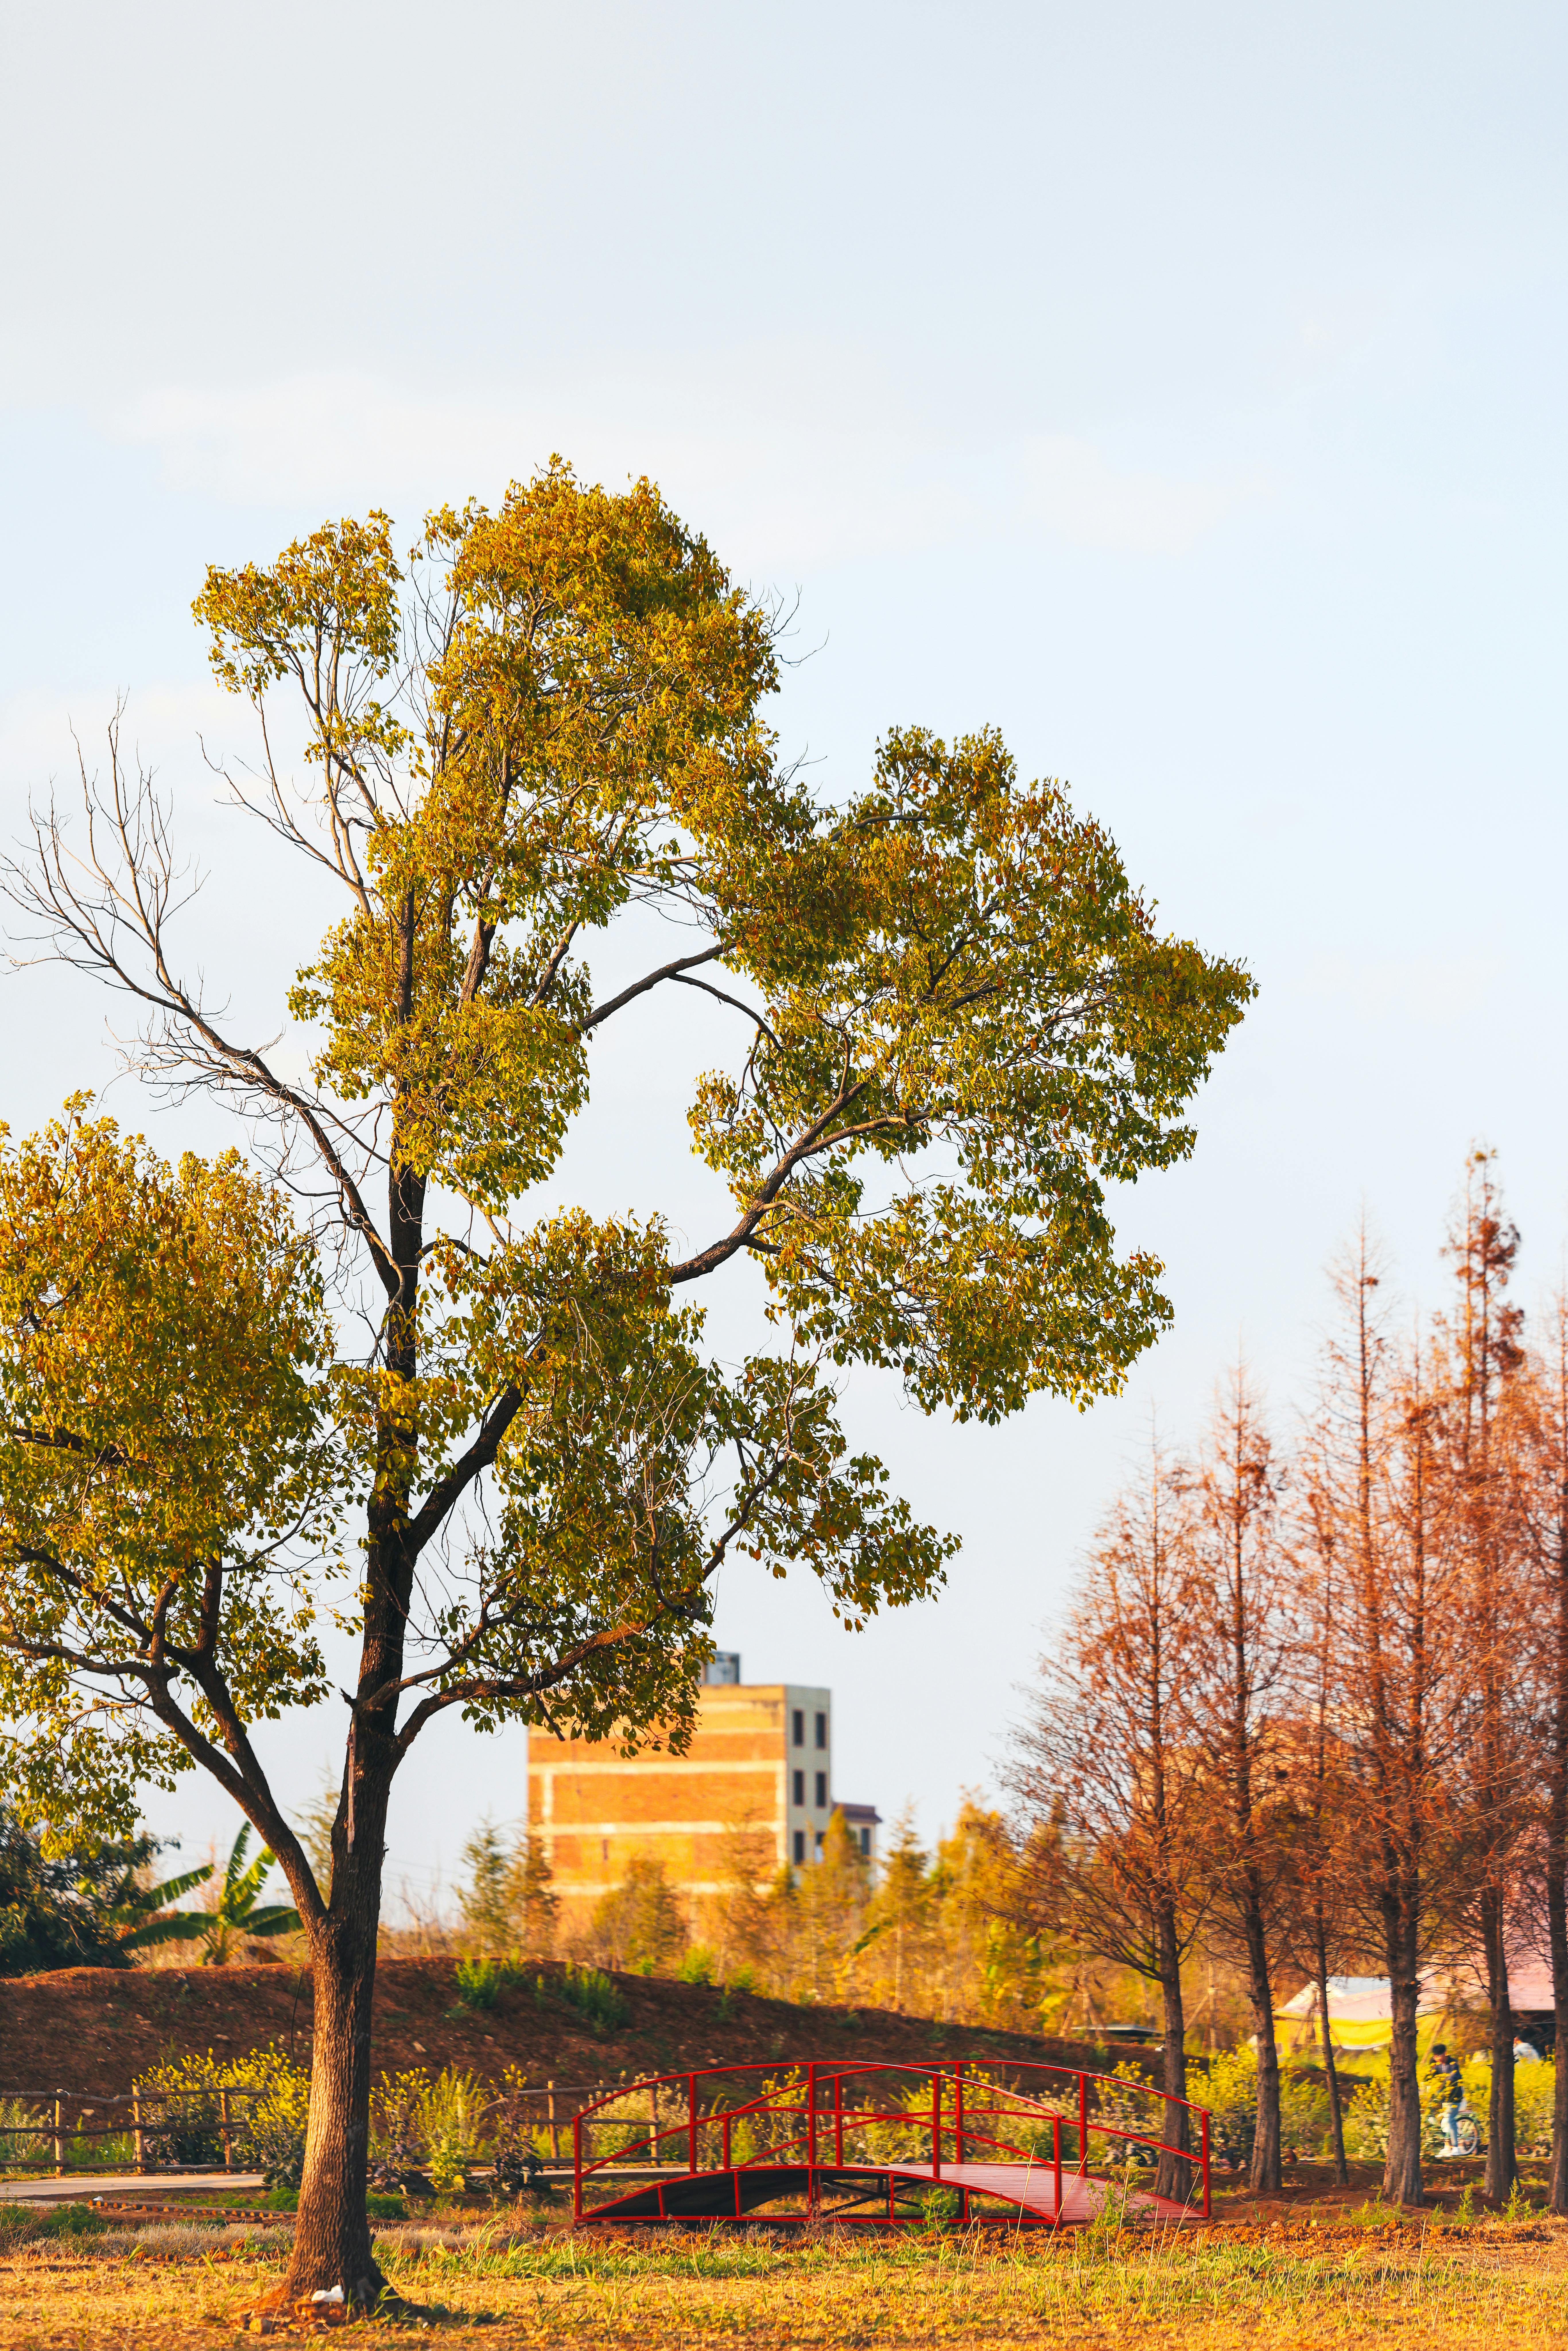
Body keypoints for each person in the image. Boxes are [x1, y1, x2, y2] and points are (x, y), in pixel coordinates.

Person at [1429, 2043, 1463, 2156]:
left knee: (1450, 2121)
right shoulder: (1437, 2066)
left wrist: (1444, 2084)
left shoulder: (1453, 2063)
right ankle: (1447, 2146)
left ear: (1444, 2054)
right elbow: (1430, 2076)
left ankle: (1456, 2148)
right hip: (1445, 2099)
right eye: (1435, 2057)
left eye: (1438, 2056)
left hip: (1455, 2098)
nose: (1436, 2059)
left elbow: (1455, 2076)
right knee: (1437, 2120)